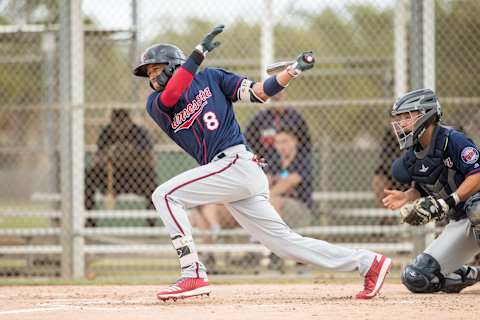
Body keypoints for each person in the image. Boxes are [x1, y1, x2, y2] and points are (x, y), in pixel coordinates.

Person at [133, 24, 392, 301]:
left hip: (236, 163)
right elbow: (174, 94)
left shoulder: (213, 78)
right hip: (228, 173)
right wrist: (197, 54)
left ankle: (192, 273)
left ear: (174, 66)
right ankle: (368, 262)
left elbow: (258, 92)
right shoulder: (156, 103)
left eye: (157, 69)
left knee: (165, 195)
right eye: (149, 73)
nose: (152, 77)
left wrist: (290, 72)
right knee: (285, 245)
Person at [382, 88, 480, 294]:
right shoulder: (413, 154)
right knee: (417, 277)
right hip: (460, 220)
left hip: (476, 209)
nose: (401, 123)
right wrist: (408, 196)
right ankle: (472, 274)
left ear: (425, 115)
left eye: (406, 116)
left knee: (477, 208)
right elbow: (423, 185)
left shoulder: (452, 139)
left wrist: (449, 201)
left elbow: (477, 174)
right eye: (399, 118)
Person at [84, 109, 158, 227]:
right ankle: (89, 220)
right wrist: (112, 152)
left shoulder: (140, 132)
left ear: (129, 122)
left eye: (122, 125)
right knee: (88, 175)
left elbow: (150, 160)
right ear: (112, 123)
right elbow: (97, 159)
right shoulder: (107, 132)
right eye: (116, 125)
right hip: (112, 177)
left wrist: (128, 153)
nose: (119, 129)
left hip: (136, 177)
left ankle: (151, 223)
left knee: (153, 181)